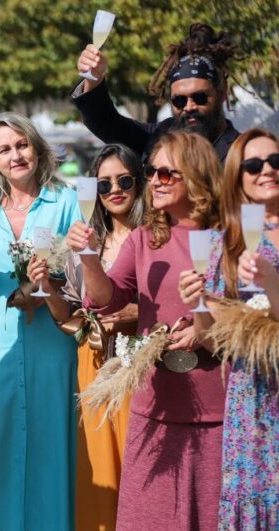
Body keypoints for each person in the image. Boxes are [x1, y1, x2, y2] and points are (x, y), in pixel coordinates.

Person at [69, 130, 222, 529]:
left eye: (166, 174)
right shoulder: (143, 239)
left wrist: (207, 329)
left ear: (197, 175)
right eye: (151, 172)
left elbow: (254, 315)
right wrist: (87, 258)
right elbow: (107, 299)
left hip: (219, 409)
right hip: (155, 406)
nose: (153, 180)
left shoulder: (231, 239)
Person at [0, 112, 81, 531]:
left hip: (53, 344)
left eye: (22, 145)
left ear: (37, 146)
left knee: (51, 449)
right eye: (4, 149)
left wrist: (49, 280)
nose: (16, 155)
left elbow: (79, 270)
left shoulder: (65, 201)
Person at [177, 128, 279, 528]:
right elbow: (210, 338)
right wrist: (198, 302)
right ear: (237, 176)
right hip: (252, 396)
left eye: (275, 161)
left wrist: (271, 283)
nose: (266, 170)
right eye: (253, 165)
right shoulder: (226, 245)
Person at [48, 144, 146, 531]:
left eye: (124, 180)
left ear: (140, 183)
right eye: (104, 183)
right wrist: (43, 285)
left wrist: (141, 312)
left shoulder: (156, 238)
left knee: (141, 466)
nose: (115, 190)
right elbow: (66, 314)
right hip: (94, 363)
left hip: (143, 364)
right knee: (101, 470)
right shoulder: (84, 243)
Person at [73, 23, 240, 162]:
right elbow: (104, 121)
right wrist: (93, 79)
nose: (189, 107)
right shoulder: (158, 137)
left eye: (200, 97)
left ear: (222, 92)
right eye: (179, 101)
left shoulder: (243, 153)